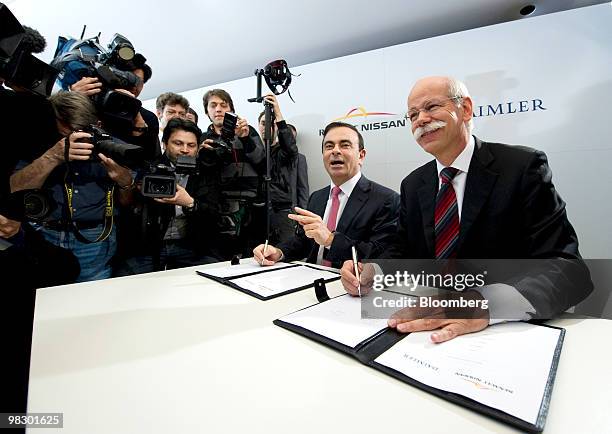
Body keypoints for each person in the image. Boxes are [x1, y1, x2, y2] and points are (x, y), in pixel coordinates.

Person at [340, 76, 593, 342]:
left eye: (431, 107)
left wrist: (484, 304)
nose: (421, 120)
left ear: (466, 109)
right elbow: (402, 249)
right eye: (413, 114)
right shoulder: (414, 184)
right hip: (426, 326)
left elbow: (567, 268)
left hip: (504, 329)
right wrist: (373, 271)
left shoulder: (521, 168)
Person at [10, 91, 134, 282]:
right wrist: (53, 157)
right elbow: (13, 190)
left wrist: (125, 182)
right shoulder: (36, 144)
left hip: (94, 239)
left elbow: (127, 203)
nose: (80, 138)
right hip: (42, 235)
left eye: (85, 130)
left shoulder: (114, 148)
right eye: (71, 131)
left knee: (89, 302)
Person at [253, 121, 400, 267]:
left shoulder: (386, 199)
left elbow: (380, 255)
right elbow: (303, 241)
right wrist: (278, 251)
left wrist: (330, 240)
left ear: (361, 156)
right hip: (310, 280)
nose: (335, 151)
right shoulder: (317, 197)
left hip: (351, 285)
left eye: (345, 145)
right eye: (329, 146)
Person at [113, 118, 217, 274]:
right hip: (149, 246)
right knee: (126, 278)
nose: (184, 150)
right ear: (165, 143)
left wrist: (190, 203)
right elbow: (128, 206)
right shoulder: (148, 168)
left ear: (197, 148)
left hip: (189, 244)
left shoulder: (206, 173)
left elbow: (214, 213)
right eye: (178, 143)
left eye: (191, 145)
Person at [199, 88, 265, 259]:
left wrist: (245, 138)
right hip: (219, 206)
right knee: (220, 258)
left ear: (231, 109)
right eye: (213, 105)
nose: (218, 109)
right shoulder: (204, 138)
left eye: (223, 105)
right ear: (207, 111)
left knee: (251, 257)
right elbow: (204, 171)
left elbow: (261, 161)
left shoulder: (247, 130)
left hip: (250, 205)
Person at [256, 94, 300, 244]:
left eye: (270, 123)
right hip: (258, 213)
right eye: (263, 123)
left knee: (285, 254)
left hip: (281, 213)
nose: (266, 126)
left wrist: (278, 115)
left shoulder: (283, 152)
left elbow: (291, 148)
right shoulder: (254, 151)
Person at [287, 123, 310, 210]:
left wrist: (303, 214)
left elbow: (303, 188)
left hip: (290, 211)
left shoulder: (300, 158)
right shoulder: (265, 155)